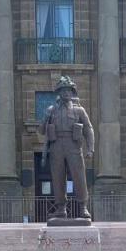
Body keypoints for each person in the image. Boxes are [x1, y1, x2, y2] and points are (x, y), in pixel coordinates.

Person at [40, 75, 96, 220]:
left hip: (73, 145)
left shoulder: (79, 111)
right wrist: (45, 118)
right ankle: (60, 208)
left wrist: (90, 148)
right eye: (63, 90)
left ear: (72, 92)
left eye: (69, 90)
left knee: (79, 176)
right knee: (58, 177)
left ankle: (83, 207)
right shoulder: (51, 110)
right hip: (56, 145)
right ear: (59, 92)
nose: (66, 93)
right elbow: (41, 131)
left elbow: (88, 129)